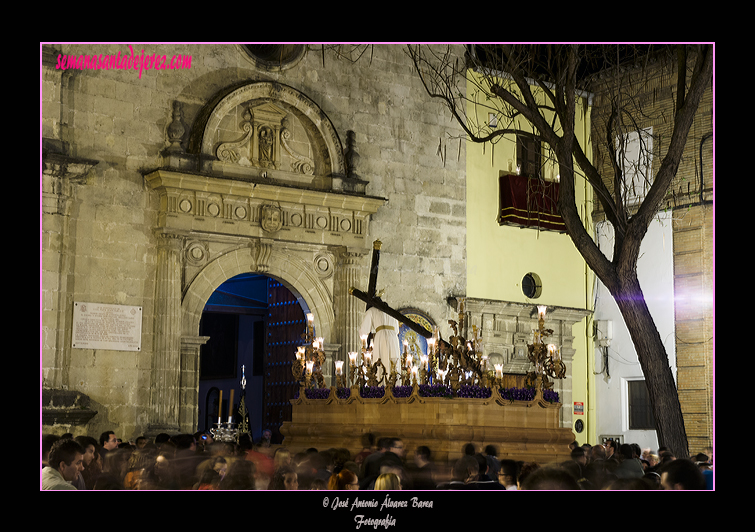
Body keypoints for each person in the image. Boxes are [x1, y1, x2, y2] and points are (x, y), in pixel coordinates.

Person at [359, 298, 400, 373]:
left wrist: (364, 346)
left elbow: (363, 331)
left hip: (381, 338)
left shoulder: (372, 310)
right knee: (394, 366)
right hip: (394, 339)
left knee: (381, 363)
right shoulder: (392, 311)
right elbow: (397, 331)